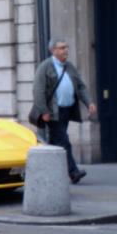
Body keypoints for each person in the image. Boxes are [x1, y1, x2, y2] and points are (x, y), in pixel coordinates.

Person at [32, 38, 97, 184]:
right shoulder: (45, 67)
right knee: (64, 141)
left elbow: (80, 86)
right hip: (53, 112)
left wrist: (89, 102)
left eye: (66, 47)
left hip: (67, 110)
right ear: (53, 50)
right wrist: (44, 111)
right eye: (62, 48)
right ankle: (73, 172)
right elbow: (38, 90)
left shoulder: (69, 67)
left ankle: (48, 170)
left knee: (55, 142)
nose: (65, 50)